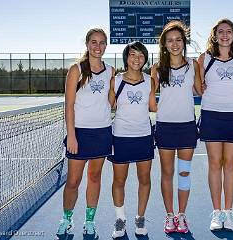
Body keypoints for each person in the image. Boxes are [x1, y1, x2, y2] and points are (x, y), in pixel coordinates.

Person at [55, 28, 114, 240]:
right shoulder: (76, 70)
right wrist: (71, 135)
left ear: (106, 46)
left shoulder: (111, 71)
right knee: (73, 181)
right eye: (94, 42)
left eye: (102, 43)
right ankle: (66, 218)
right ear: (87, 44)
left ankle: (89, 221)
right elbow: (69, 105)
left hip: (103, 132)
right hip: (79, 133)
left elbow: (111, 101)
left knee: (95, 177)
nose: (98, 47)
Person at [197, 18, 233, 231]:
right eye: (221, 31)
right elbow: (199, 87)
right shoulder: (205, 58)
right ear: (215, 35)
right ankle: (216, 212)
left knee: (230, 164)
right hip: (211, 115)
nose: (225, 35)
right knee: (214, 163)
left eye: (229, 31)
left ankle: (228, 213)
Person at [151, 20, 203, 234]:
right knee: (167, 173)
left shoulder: (193, 64)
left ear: (184, 42)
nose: (175, 44)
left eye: (178, 40)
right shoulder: (157, 68)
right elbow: (150, 97)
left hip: (187, 127)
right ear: (164, 44)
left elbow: (201, 90)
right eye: (170, 40)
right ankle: (169, 215)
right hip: (165, 127)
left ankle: (182, 216)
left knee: (184, 173)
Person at [108, 41, 157, 238]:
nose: (137, 59)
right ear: (126, 58)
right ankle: (120, 219)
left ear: (145, 58)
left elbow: (153, 107)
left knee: (144, 179)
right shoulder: (115, 80)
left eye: (140, 55)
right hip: (120, 136)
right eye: (132, 54)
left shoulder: (150, 81)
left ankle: (140, 218)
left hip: (144, 136)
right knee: (119, 180)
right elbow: (108, 106)